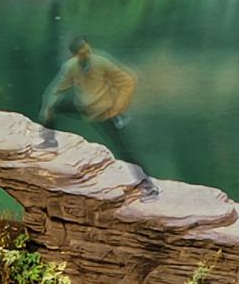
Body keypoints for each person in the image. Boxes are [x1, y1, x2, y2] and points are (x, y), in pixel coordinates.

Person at [39, 36, 157, 196]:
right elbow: (58, 88)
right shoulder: (71, 67)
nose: (86, 55)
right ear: (74, 55)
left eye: (88, 51)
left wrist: (118, 107)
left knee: (125, 150)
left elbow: (128, 80)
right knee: (52, 107)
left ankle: (147, 186)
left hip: (104, 113)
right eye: (82, 53)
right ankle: (49, 142)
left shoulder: (101, 62)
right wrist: (47, 106)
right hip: (83, 108)